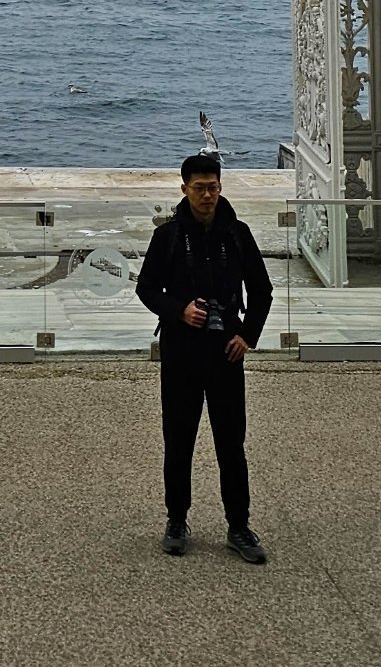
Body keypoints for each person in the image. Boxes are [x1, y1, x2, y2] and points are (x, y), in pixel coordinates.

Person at [134, 150, 272, 563]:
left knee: (231, 444)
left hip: (226, 352)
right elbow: (146, 288)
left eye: (212, 187)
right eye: (199, 188)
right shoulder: (168, 236)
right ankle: (176, 520)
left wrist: (247, 335)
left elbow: (262, 291)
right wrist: (179, 310)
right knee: (178, 441)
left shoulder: (238, 234)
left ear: (221, 187)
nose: (207, 195)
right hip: (181, 352)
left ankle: (238, 526)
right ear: (184, 189)